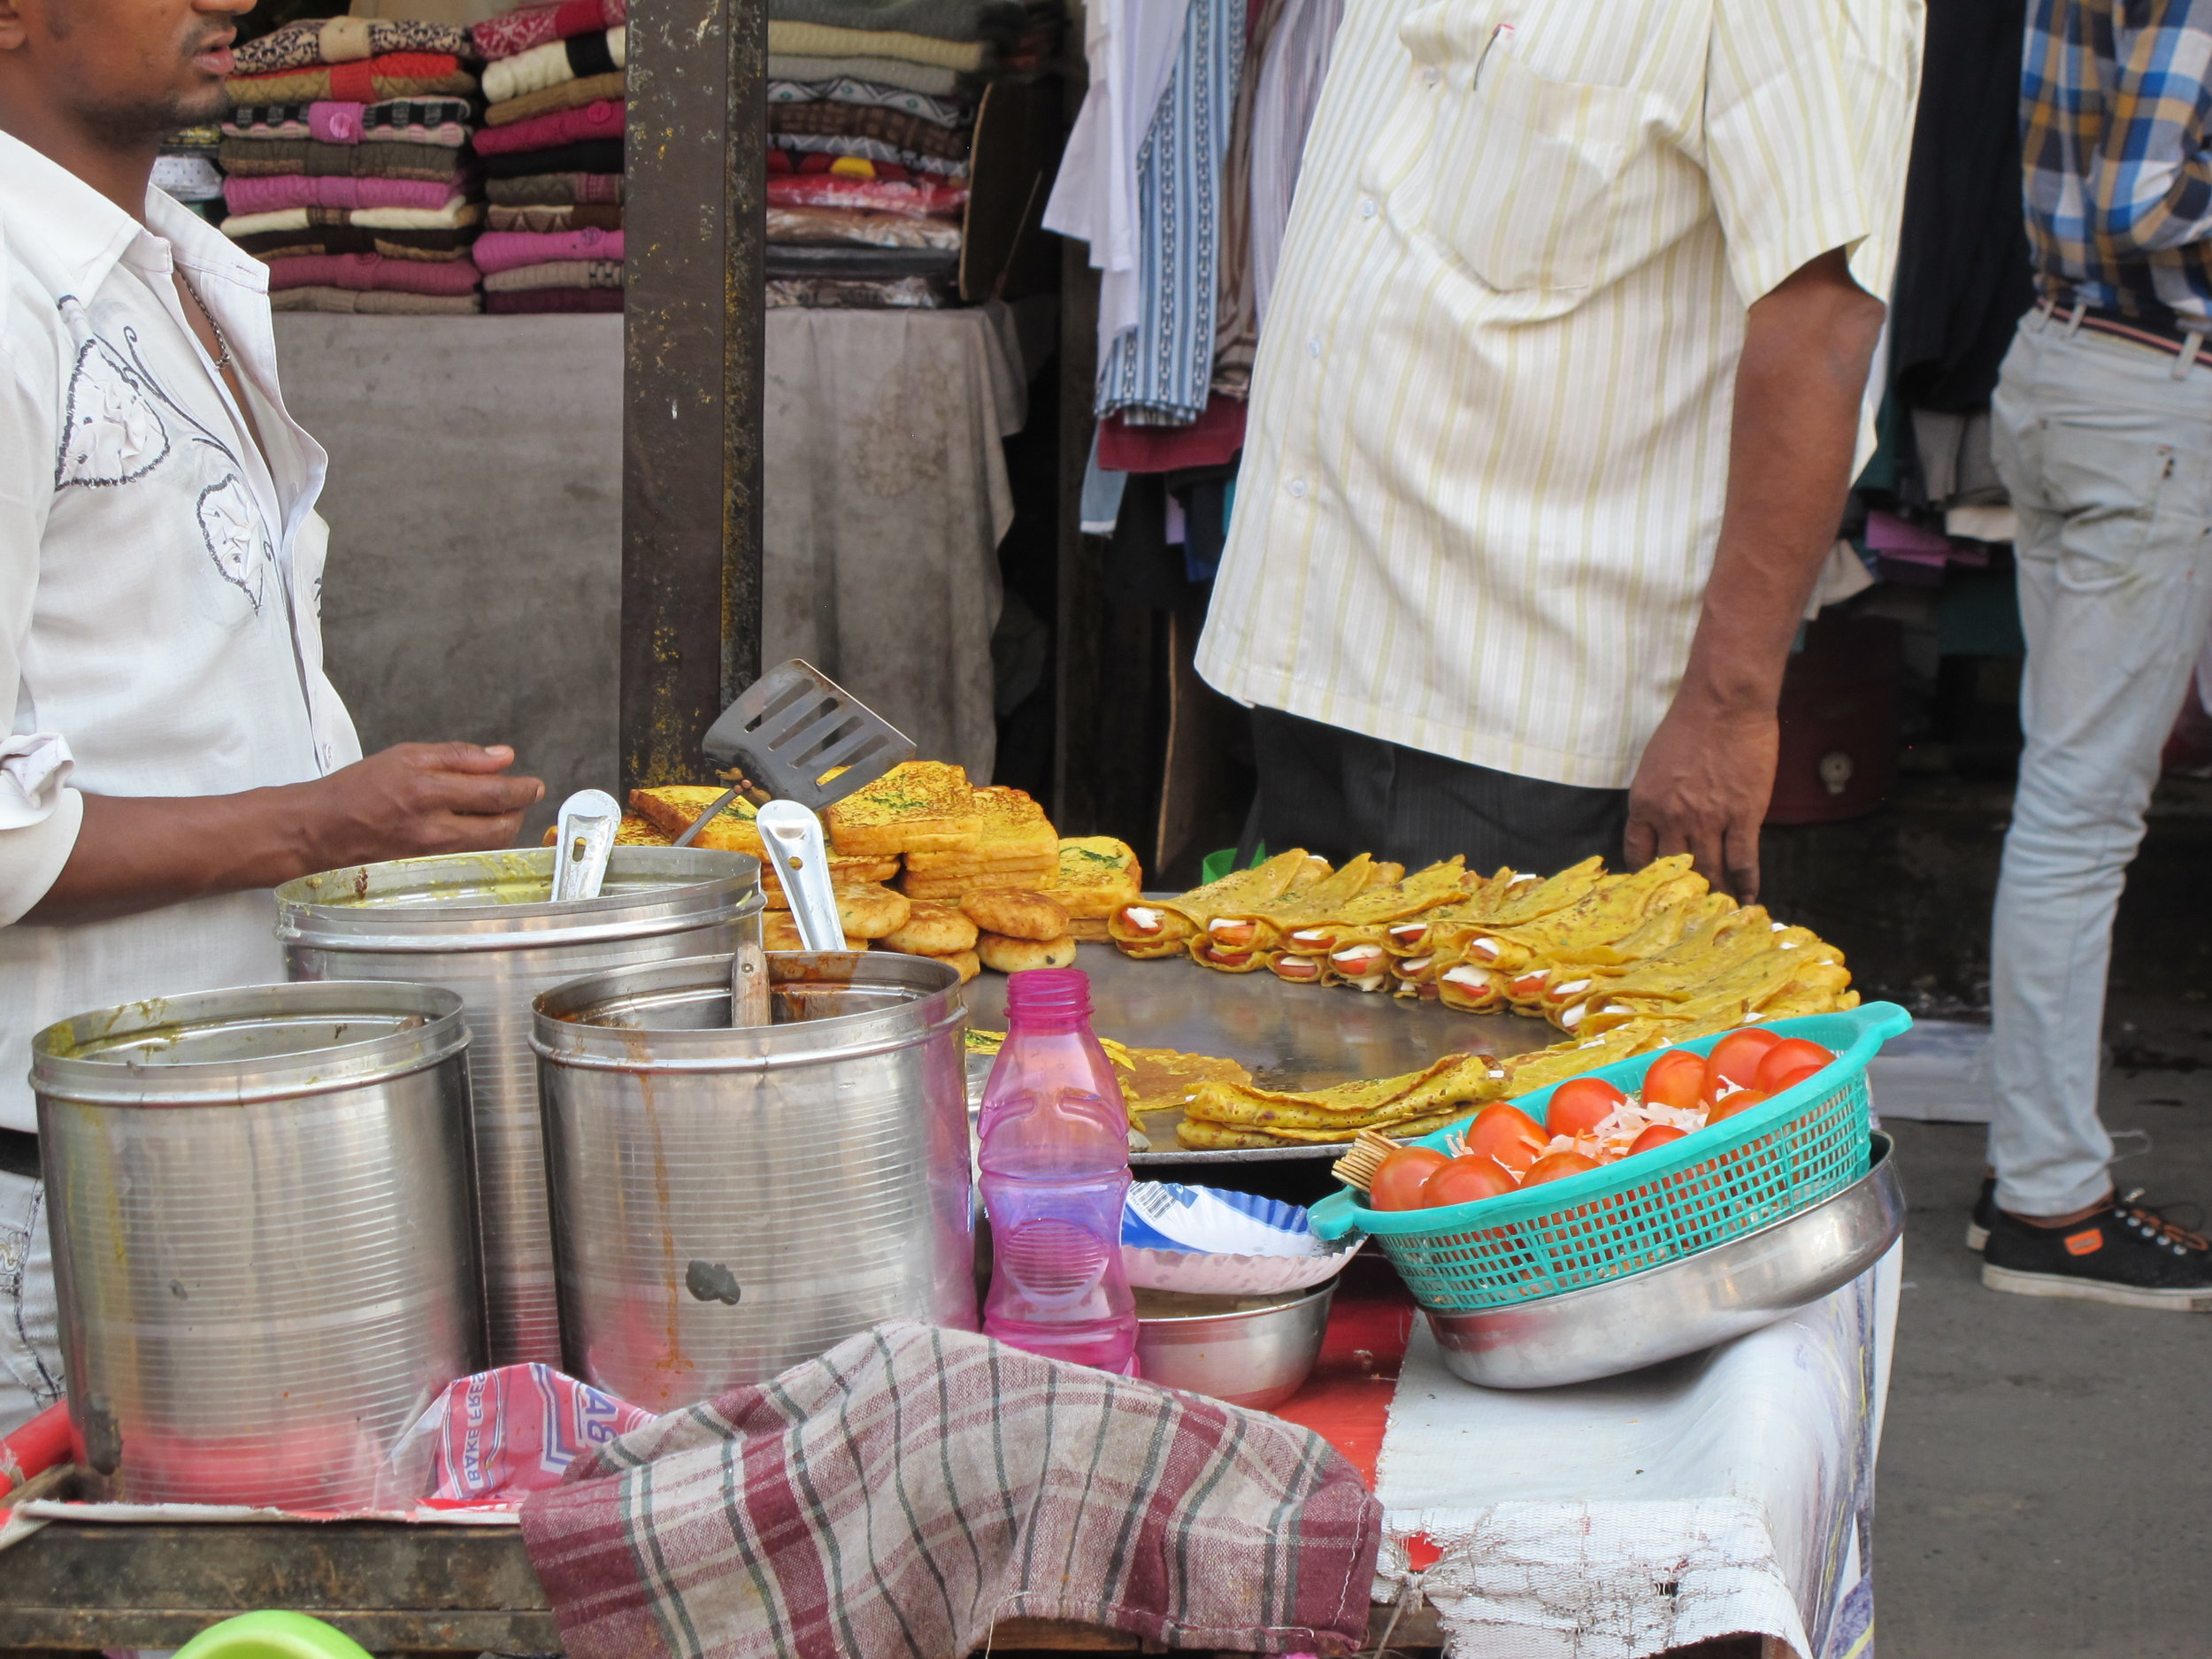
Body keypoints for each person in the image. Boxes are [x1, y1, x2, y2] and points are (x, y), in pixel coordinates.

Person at [0, 0, 546, 1432]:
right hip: (59, 1171)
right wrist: (319, 823)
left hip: (228, 1123)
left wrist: (365, 831)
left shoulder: (173, 272)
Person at [1196, 2, 1920, 903]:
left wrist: (1728, 705)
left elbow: (1820, 328)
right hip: (1315, 656)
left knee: (1486, 1047)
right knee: (1293, 1039)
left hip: (1524, 725)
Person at [1970, 0, 2212, 1306]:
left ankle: (2039, 1174)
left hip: (2071, 365)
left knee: (2068, 806)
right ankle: (2050, 1202)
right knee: (2080, 816)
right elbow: (2137, 198)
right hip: (2152, 389)